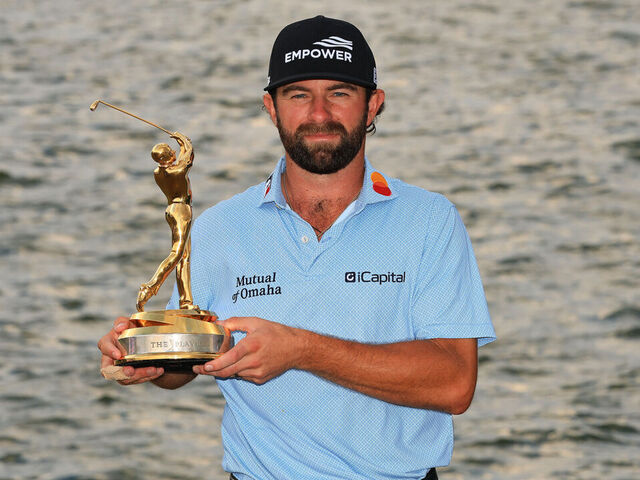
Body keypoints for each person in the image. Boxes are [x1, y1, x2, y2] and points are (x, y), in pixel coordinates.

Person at [98, 15, 496, 480]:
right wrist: (143, 359)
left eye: (340, 93)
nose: (320, 114)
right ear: (271, 106)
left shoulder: (430, 221)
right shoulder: (220, 227)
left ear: (373, 106)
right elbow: (187, 360)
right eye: (299, 94)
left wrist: (301, 350)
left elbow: (454, 383)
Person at [136, 132, 198, 312]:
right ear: (165, 157)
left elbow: (183, 159)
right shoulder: (176, 171)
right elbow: (189, 157)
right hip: (181, 211)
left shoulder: (159, 172)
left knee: (183, 258)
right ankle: (150, 287)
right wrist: (184, 141)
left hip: (171, 210)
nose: (173, 152)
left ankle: (185, 302)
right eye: (170, 150)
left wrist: (182, 145)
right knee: (176, 254)